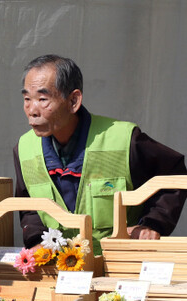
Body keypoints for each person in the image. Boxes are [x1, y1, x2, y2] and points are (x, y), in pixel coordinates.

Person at [14, 54, 187, 254]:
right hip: (60, 267)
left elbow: (174, 175)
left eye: (43, 99)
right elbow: (29, 206)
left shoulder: (124, 139)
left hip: (120, 263)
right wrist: (36, 239)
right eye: (27, 99)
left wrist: (152, 224)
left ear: (73, 101)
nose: (32, 110)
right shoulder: (24, 148)